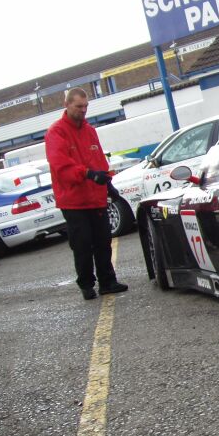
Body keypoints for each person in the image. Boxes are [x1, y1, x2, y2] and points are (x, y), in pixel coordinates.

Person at [45, 88, 128, 300]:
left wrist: (108, 185)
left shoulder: (90, 131)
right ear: (67, 105)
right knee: (82, 244)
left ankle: (108, 281)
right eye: (79, 106)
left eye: (85, 106)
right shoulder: (56, 133)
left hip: (96, 198)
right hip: (73, 202)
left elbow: (99, 160)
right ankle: (86, 283)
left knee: (103, 241)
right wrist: (88, 174)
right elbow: (61, 166)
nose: (83, 110)